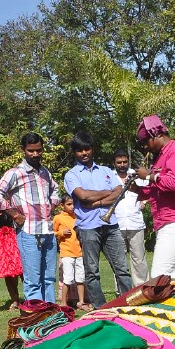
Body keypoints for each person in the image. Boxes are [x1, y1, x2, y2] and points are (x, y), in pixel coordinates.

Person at [0, 133, 61, 303]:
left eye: (39, 150)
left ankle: (50, 315)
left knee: (49, 278)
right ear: (23, 150)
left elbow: (55, 190)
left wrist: (53, 204)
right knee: (33, 280)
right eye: (31, 151)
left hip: (47, 231)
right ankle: (36, 317)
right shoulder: (15, 173)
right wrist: (13, 213)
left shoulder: (45, 172)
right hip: (28, 232)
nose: (35, 154)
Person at [63, 131, 132, 308]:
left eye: (87, 149)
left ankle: (128, 305)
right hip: (87, 227)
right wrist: (106, 194)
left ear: (92, 149)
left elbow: (120, 193)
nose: (84, 153)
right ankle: (101, 308)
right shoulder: (72, 175)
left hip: (111, 225)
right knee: (92, 272)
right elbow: (83, 196)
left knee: (122, 270)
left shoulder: (106, 171)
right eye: (80, 150)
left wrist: (97, 202)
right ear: (75, 153)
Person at [134, 115, 175, 279]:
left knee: (159, 277)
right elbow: (157, 189)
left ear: (157, 134)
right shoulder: (160, 156)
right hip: (168, 223)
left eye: (146, 141)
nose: (145, 146)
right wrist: (136, 189)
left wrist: (149, 175)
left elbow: (173, 183)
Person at [112, 149, 148, 285]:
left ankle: (142, 287)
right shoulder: (109, 176)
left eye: (125, 162)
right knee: (119, 260)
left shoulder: (137, 175)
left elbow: (148, 190)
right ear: (114, 163)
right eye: (119, 162)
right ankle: (121, 289)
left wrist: (144, 202)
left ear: (128, 161)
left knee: (139, 258)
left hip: (135, 222)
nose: (122, 164)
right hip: (117, 223)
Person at [53, 195, 88, 309]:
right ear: (62, 206)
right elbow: (53, 233)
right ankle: (63, 302)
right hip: (67, 252)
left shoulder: (77, 216)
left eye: (73, 204)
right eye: (69, 204)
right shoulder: (58, 218)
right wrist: (61, 233)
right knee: (67, 278)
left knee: (81, 278)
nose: (72, 207)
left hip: (79, 252)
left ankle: (81, 302)